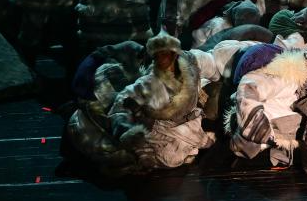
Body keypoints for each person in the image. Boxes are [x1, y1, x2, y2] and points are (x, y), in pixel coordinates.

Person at [66, 31, 217, 175]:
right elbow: (122, 104)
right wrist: (125, 130)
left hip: (168, 122)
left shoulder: (187, 64)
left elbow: (207, 63)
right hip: (139, 122)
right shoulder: (145, 84)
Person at [228, 46, 307, 173]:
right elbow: (249, 86)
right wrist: (256, 122)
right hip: (267, 121)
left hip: (288, 128)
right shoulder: (287, 74)